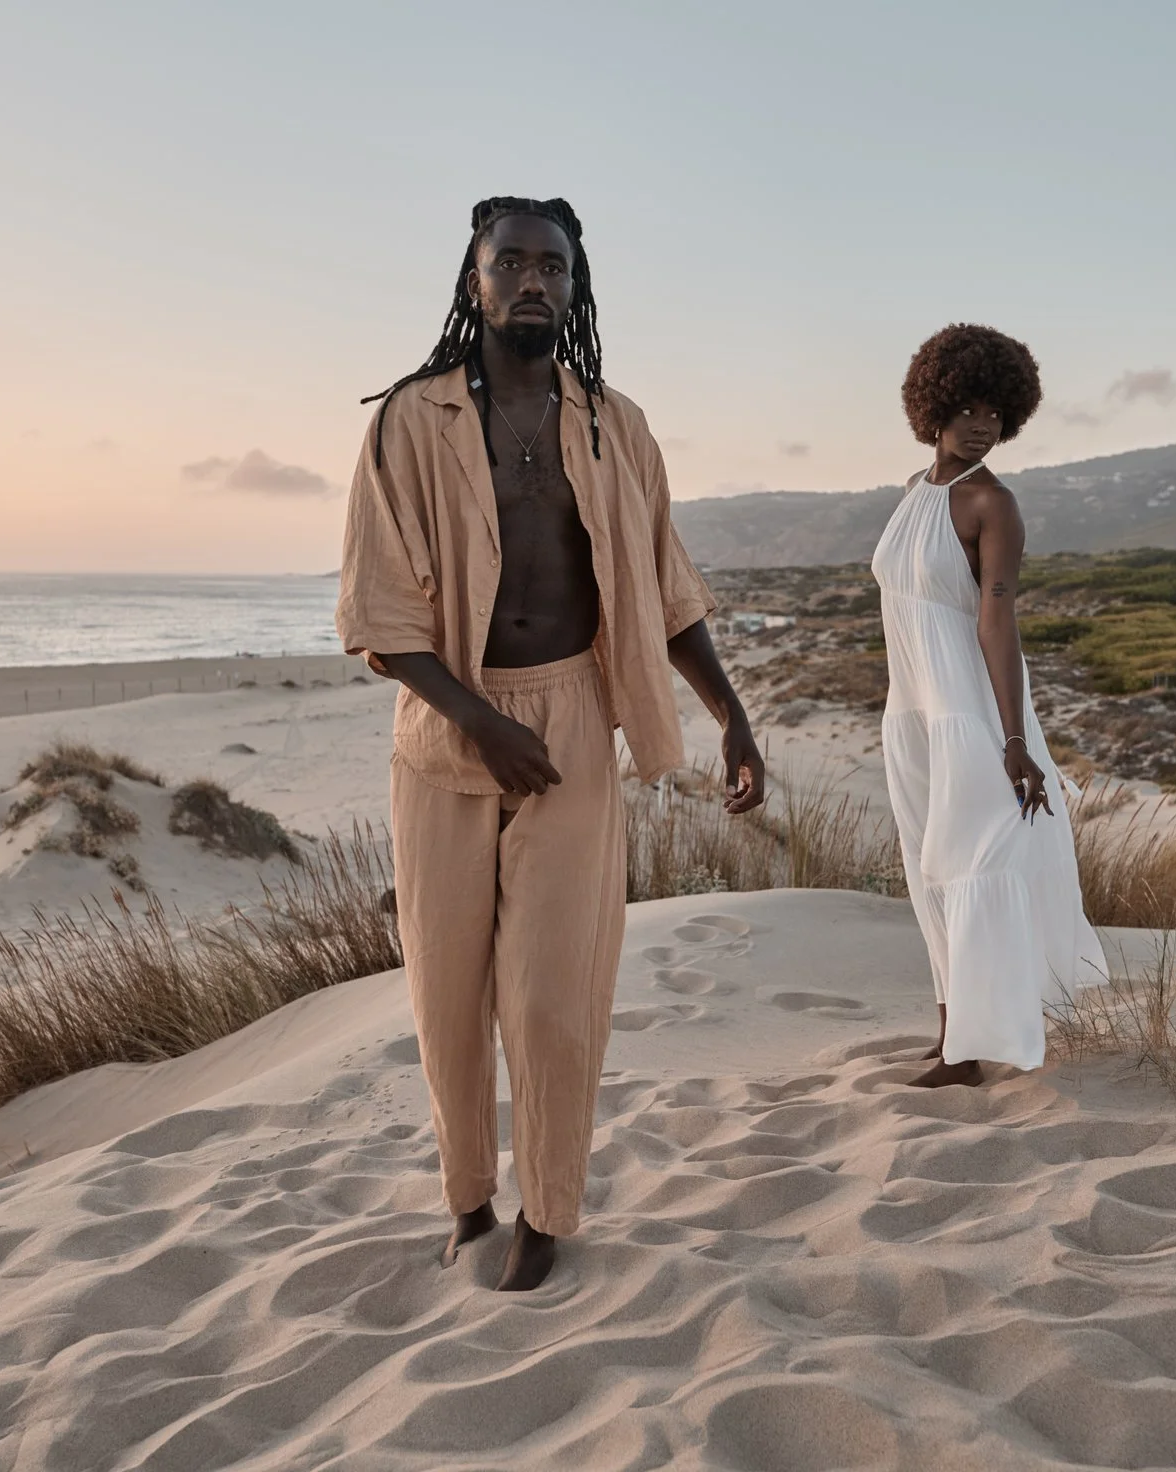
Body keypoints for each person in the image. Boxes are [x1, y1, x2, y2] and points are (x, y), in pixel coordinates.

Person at [338, 196, 764, 1290]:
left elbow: (663, 589)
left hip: (573, 716)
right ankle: (469, 1196)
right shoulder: (406, 420)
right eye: (512, 261)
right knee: (446, 984)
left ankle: (547, 1211)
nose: (534, 280)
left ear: (575, 289)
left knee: (549, 991)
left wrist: (731, 713)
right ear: (472, 280)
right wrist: (481, 724)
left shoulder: (615, 424)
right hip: (447, 728)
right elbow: (379, 622)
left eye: (554, 267)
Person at [871, 324, 1108, 1088]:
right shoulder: (916, 493)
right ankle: (951, 1035)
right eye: (969, 407)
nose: (983, 425)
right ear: (932, 405)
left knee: (975, 863)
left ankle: (971, 1050)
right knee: (929, 871)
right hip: (911, 716)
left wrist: (1016, 739)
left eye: (997, 414)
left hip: (970, 713)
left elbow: (996, 621)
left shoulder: (991, 504)